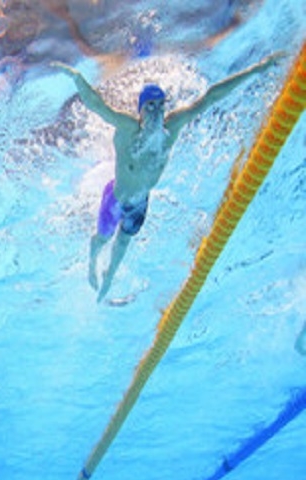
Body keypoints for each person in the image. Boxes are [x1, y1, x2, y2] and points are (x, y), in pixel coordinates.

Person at [54, 53, 282, 302]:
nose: (156, 111)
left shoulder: (172, 127)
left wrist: (256, 69)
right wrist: (77, 78)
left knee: (123, 243)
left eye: (160, 105)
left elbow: (210, 97)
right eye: (150, 106)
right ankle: (92, 263)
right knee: (102, 239)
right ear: (140, 110)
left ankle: (109, 277)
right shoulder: (128, 128)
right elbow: (98, 106)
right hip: (116, 198)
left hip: (140, 202)